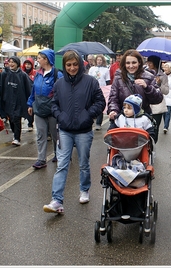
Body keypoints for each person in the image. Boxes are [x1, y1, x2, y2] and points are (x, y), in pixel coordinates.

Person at [43, 49, 106, 214]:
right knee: (62, 165)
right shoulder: (59, 83)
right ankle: (57, 200)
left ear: (80, 64)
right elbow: (54, 103)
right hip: (64, 130)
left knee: (83, 163)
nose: (72, 68)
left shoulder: (91, 82)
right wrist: (60, 116)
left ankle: (84, 189)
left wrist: (87, 114)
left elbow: (100, 102)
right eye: (69, 65)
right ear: (64, 66)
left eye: (75, 64)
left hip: (84, 130)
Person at [27, 49, 64, 169]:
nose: (37, 60)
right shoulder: (38, 74)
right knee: (41, 134)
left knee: (55, 134)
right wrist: (30, 103)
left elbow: (61, 92)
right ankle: (41, 159)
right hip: (39, 108)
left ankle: (58, 154)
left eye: (39, 58)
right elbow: (33, 90)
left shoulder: (57, 74)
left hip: (53, 109)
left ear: (46, 59)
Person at [107, 49, 163, 122]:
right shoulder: (118, 78)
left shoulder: (149, 77)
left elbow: (158, 99)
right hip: (123, 118)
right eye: (128, 63)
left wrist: (147, 88)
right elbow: (113, 98)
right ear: (124, 63)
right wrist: (113, 110)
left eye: (134, 63)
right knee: (110, 132)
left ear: (139, 62)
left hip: (143, 119)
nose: (131, 66)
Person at [0, 56, 32, 146]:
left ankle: (17, 138)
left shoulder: (23, 75)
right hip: (7, 100)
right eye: (10, 62)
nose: (11, 64)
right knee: (11, 118)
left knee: (17, 118)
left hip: (19, 101)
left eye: (13, 62)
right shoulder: (4, 74)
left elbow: (29, 88)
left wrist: (30, 102)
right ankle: (15, 134)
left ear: (17, 63)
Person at [145, 55, 169, 141]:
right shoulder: (144, 74)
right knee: (145, 128)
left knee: (155, 128)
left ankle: (152, 147)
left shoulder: (163, 76)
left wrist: (159, 84)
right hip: (146, 104)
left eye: (150, 62)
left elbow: (166, 91)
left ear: (155, 63)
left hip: (157, 106)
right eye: (148, 62)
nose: (148, 64)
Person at [88, 54, 111, 131]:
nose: (99, 61)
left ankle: (98, 123)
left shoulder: (106, 70)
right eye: (98, 60)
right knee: (91, 105)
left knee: (100, 105)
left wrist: (108, 90)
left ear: (103, 61)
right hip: (92, 89)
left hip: (102, 89)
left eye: (100, 60)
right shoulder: (92, 69)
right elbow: (88, 79)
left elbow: (108, 81)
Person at [22, 57, 37, 131]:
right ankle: (28, 121)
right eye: (26, 64)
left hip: (32, 94)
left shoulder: (35, 73)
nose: (27, 66)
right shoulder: (22, 73)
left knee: (31, 109)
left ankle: (30, 123)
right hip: (24, 94)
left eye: (29, 64)